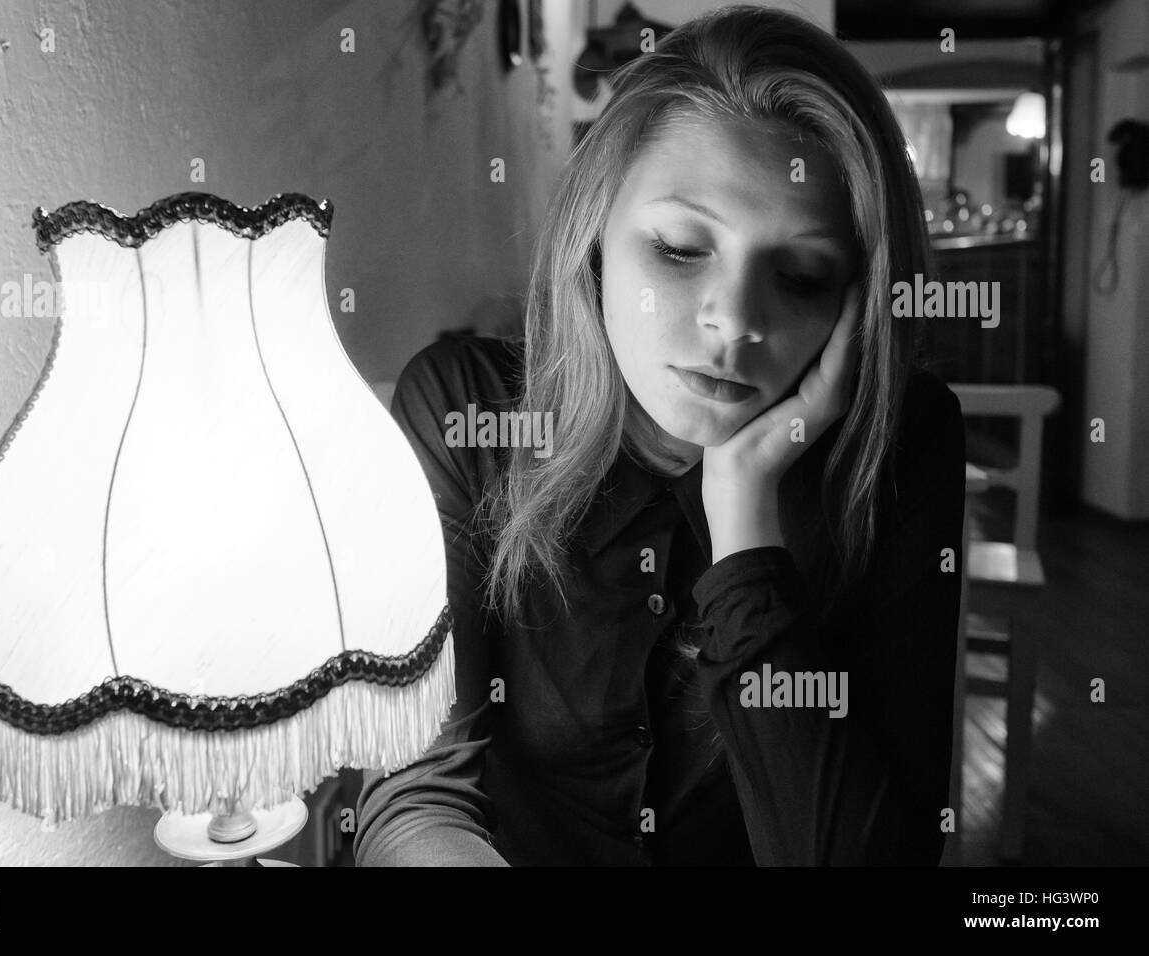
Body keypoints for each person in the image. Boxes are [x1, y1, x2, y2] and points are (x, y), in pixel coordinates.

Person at [355, 4, 965, 866]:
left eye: (800, 275)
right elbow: (414, 790)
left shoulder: (903, 445)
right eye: (681, 249)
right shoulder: (466, 412)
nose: (733, 323)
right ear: (594, 235)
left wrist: (745, 517)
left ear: (855, 301)